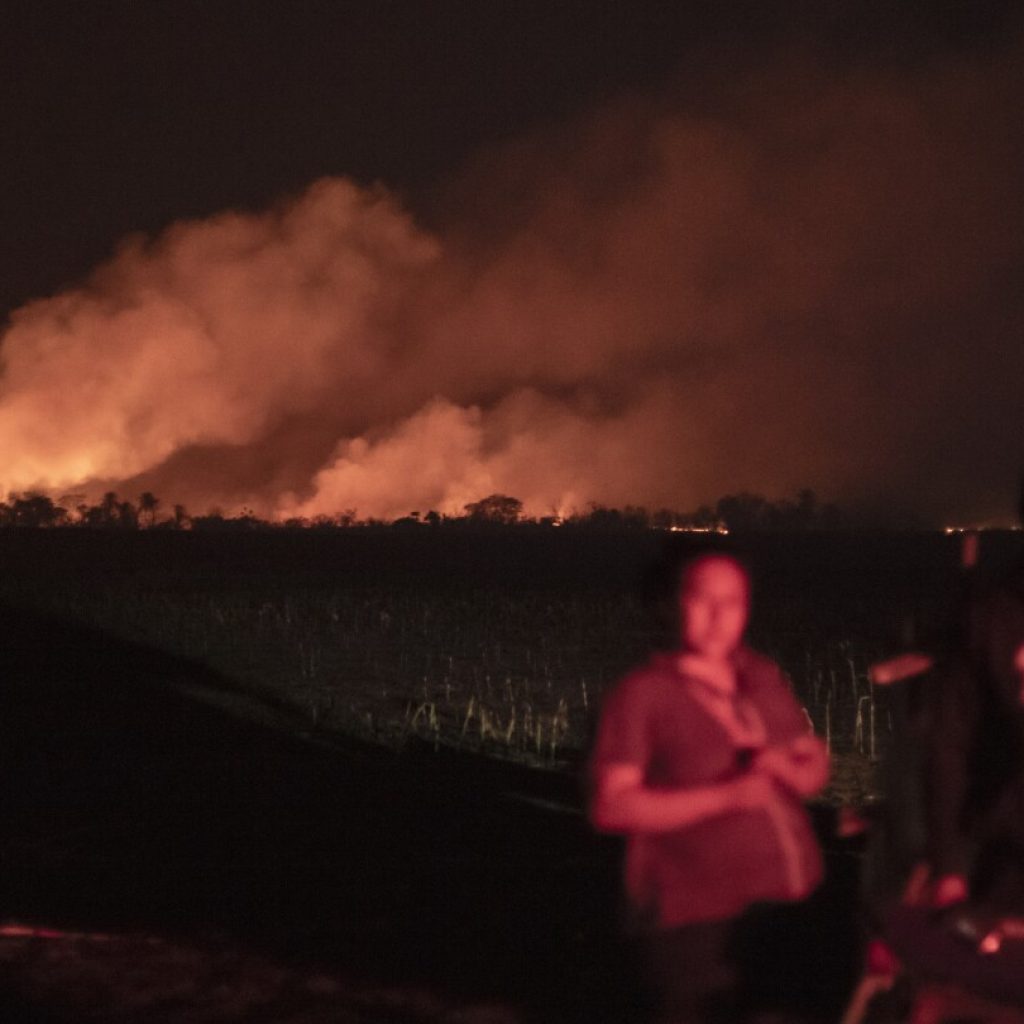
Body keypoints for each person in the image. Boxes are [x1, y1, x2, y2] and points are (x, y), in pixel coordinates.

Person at [588, 551, 830, 1023]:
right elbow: (612, 804)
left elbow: (806, 766)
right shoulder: (644, 694)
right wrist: (727, 798)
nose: (720, 617)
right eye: (703, 600)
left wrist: (807, 769)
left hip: (779, 910)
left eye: (733, 602)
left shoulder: (760, 679)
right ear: (672, 604)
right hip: (692, 920)